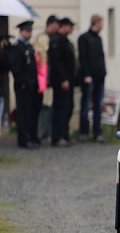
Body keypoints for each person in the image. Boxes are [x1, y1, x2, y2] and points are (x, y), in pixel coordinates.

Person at [10, 20, 39, 148]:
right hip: (22, 85)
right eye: (27, 31)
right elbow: (16, 68)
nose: (29, 33)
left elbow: (33, 67)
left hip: (31, 84)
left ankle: (30, 136)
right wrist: (22, 81)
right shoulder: (17, 47)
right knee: (23, 112)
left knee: (30, 112)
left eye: (30, 31)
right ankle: (23, 139)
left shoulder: (29, 47)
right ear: (21, 32)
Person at [78, 14, 107, 142]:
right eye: (101, 23)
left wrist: (104, 72)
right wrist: (86, 74)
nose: (102, 26)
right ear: (96, 23)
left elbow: (101, 57)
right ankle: (83, 131)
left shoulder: (99, 38)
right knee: (86, 105)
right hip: (89, 78)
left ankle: (97, 132)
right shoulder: (84, 38)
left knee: (98, 106)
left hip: (100, 77)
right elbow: (83, 58)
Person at [48, 17, 76, 147]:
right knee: (60, 109)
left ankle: (64, 134)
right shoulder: (57, 41)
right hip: (61, 83)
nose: (72, 29)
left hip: (68, 81)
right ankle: (57, 136)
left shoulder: (65, 41)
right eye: (70, 26)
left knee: (68, 108)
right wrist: (63, 79)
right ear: (64, 26)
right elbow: (56, 63)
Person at [33, 14, 59, 142]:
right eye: (56, 24)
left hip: (50, 78)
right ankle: (41, 133)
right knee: (44, 107)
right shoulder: (42, 38)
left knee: (49, 106)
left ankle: (47, 133)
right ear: (50, 24)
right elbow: (42, 61)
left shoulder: (53, 37)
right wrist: (45, 78)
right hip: (43, 79)